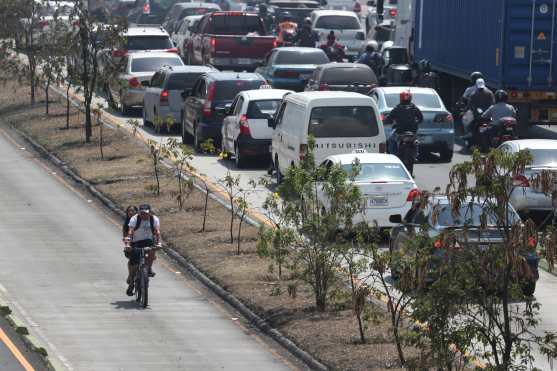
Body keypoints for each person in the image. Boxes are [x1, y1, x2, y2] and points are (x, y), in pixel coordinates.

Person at [124, 204, 161, 296]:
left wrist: (159, 243)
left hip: (148, 241)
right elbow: (130, 231)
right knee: (134, 264)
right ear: (139, 212)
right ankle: (131, 282)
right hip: (136, 242)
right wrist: (128, 244)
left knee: (152, 250)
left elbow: (157, 231)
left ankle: (148, 268)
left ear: (149, 212)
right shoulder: (134, 219)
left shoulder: (154, 219)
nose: (144, 215)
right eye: (142, 213)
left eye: (146, 213)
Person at [384, 90, 423, 156]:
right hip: (412, 131)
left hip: (400, 131)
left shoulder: (397, 108)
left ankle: (394, 156)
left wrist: (386, 121)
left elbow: (389, 118)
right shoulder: (414, 107)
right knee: (416, 141)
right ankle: (416, 154)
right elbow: (421, 118)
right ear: (410, 98)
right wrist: (416, 123)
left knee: (391, 139)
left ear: (401, 98)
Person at [122, 205, 138, 289]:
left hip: (141, 244)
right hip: (131, 245)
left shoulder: (140, 221)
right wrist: (127, 244)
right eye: (129, 211)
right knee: (132, 262)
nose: (131, 213)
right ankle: (131, 278)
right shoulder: (126, 224)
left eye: (133, 211)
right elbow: (125, 237)